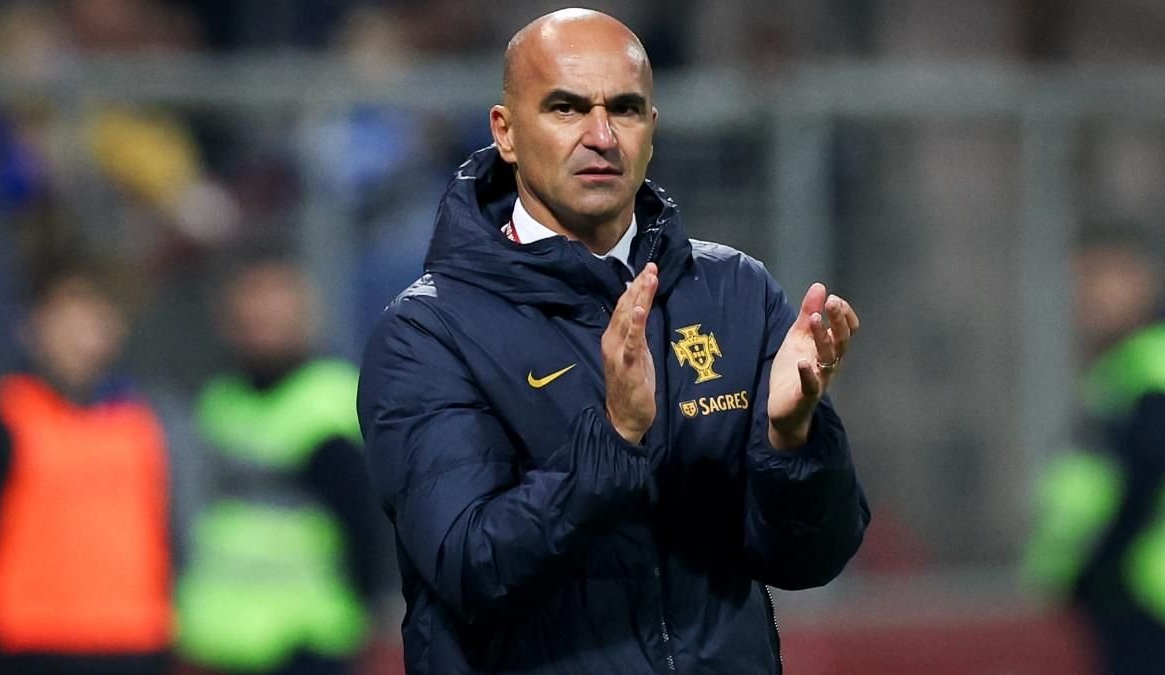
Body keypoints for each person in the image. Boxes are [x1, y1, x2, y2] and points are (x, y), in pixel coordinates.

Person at [356, 9, 870, 675]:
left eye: (624, 109)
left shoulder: (733, 291)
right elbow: (472, 568)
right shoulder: (427, 333)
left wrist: (792, 441)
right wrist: (616, 438)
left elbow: (809, 561)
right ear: (505, 132)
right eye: (566, 108)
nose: (601, 137)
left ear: (651, 128)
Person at [175, 256, 389, 675]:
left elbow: (366, 529)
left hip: (305, 640)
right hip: (222, 637)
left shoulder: (326, 402)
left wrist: (367, 616)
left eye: (273, 315)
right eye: (251, 316)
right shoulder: (219, 401)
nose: (261, 327)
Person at [0, 262, 173, 675]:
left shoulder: (144, 421)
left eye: (95, 318)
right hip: (29, 645)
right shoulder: (2, 421)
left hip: (132, 642)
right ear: (31, 328)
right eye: (67, 319)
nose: (81, 336)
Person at [1023, 231, 1165, 674]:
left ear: (1142, 280)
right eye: (1078, 281)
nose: (1085, 297)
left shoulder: (1150, 368)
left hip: (1141, 596)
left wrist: (1097, 571)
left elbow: (1140, 482)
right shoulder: (1121, 366)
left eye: (1100, 279)